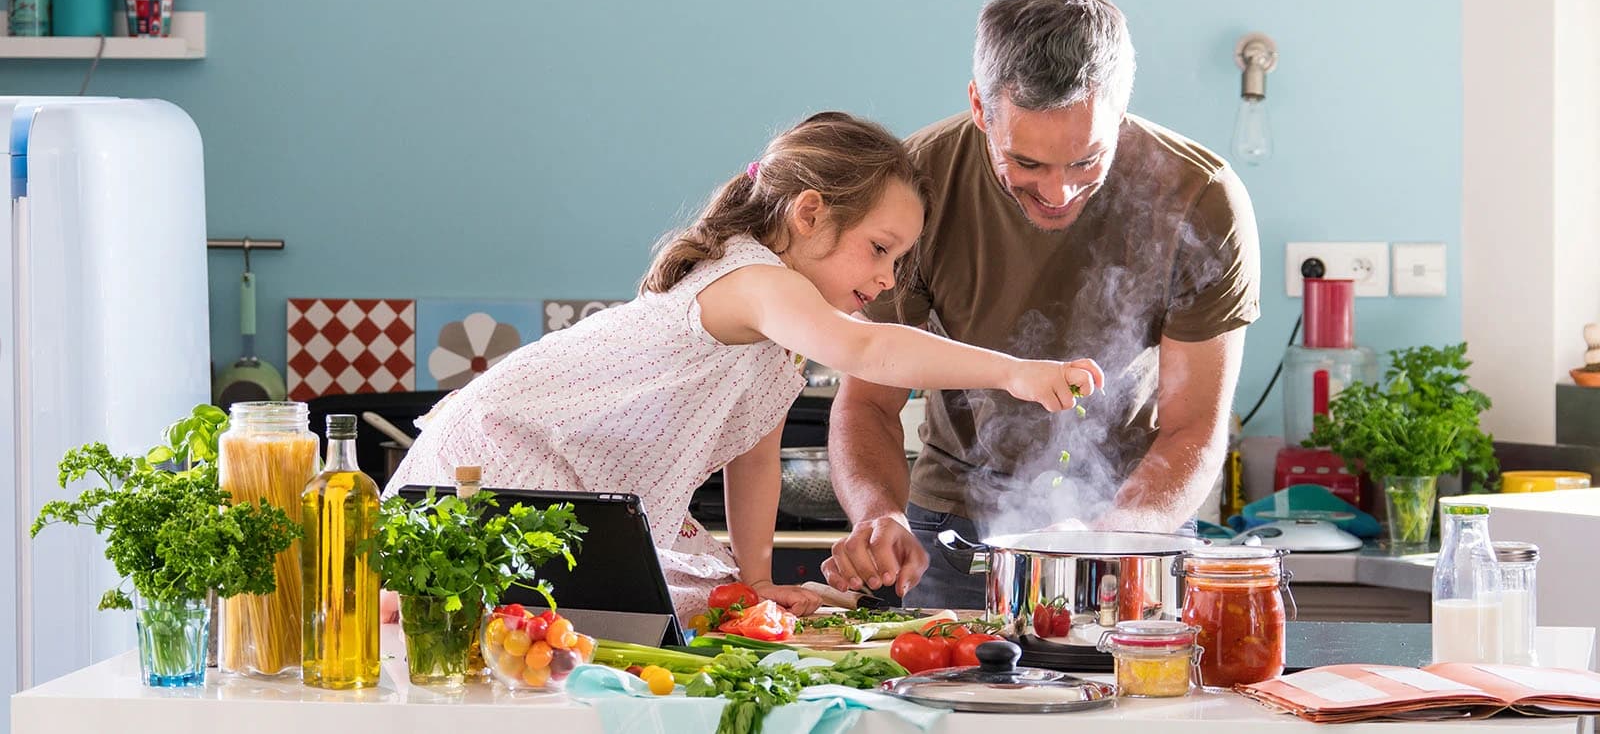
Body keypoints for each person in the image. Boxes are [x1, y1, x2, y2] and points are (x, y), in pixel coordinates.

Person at [384, 111, 1103, 624]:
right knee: (519, 623)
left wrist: (757, 578)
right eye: (880, 249)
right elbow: (868, 350)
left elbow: (753, 461)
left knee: (683, 607)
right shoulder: (757, 282)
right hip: (503, 453)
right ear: (810, 213)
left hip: (567, 482)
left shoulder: (777, 336)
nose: (888, 279)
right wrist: (1016, 373)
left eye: (900, 260)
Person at [823, 0, 1262, 609]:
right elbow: (867, 399)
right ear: (980, 106)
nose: (1058, 192)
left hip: (1134, 523)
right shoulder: (914, 186)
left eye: (1088, 161)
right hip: (953, 530)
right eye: (1025, 162)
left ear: (1121, 109)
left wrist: (1111, 540)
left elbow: (1193, 429)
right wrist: (877, 514)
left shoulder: (1201, 198)